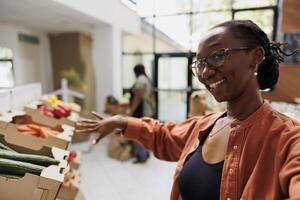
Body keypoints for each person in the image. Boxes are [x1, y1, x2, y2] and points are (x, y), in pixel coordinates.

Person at [76, 20, 300, 200]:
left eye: (217, 56)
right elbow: (163, 136)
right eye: (199, 63)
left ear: (255, 57)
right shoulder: (205, 125)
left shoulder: (289, 140)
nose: (204, 73)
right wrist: (121, 122)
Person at [127, 64, 154, 163]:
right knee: (145, 134)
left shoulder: (140, 80)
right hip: (147, 110)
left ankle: (142, 156)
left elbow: (138, 97)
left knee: (139, 134)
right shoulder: (146, 79)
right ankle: (146, 154)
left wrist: (130, 111)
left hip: (141, 111)